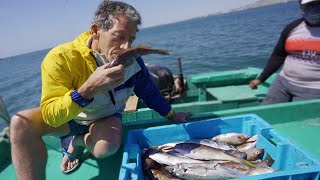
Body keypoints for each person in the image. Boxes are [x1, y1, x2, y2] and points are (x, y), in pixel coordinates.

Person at [10, 1, 191, 179]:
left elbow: (148, 92)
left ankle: (77, 141)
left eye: (131, 39)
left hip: (105, 118)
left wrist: (172, 115)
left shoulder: (132, 61)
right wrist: (86, 91)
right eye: (119, 36)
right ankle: (72, 138)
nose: (126, 47)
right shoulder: (61, 58)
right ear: (96, 31)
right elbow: (52, 116)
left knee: (106, 148)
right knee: (20, 124)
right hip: (71, 118)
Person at [249, 0, 320, 105]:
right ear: (301, 8)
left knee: (296, 118)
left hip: (312, 89)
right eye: (309, 5)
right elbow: (278, 56)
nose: (314, 9)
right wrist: (260, 79)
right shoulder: (292, 27)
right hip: (282, 82)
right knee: (266, 112)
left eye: (318, 4)